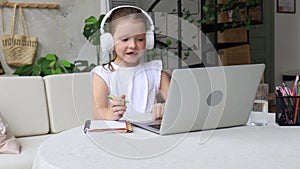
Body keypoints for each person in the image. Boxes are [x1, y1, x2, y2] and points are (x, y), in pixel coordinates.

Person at [91, 6, 170, 121]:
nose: (133, 45)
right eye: (124, 39)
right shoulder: (103, 74)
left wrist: (164, 109)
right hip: (118, 135)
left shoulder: (156, 73)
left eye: (140, 39)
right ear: (109, 41)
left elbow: (177, 106)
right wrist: (112, 114)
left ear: (148, 41)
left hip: (150, 135)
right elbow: (98, 112)